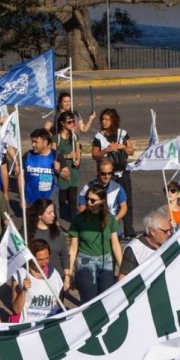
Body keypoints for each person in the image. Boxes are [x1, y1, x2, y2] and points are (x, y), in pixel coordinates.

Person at [66, 184, 122, 302]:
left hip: (106, 261)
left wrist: (122, 268)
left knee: (106, 300)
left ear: (102, 201)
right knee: (89, 301)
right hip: (86, 261)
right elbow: (73, 247)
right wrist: (69, 273)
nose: (88, 202)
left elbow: (115, 244)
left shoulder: (109, 218)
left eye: (92, 200)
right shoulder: (78, 219)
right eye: (87, 199)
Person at [91, 108, 135, 236]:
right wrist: (105, 150)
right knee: (107, 201)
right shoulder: (99, 136)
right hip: (108, 174)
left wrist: (122, 147)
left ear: (113, 121)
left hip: (123, 173)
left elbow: (131, 150)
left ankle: (129, 229)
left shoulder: (123, 134)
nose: (104, 122)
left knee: (127, 201)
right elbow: (94, 155)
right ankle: (108, 226)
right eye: (102, 119)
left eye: (107, 119)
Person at [53, 110, 83, 222]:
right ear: (62, 123)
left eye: (73, 122)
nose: (72, 124)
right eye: (69, 122)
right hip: (62, 173)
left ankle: (73, 222)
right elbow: (54, 155)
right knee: (61, 199)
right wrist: (67, 156)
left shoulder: (75, 137)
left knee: (72, 200)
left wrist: (77, 160)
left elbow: (78, 154)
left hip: (73, 172)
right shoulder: (57, 138)